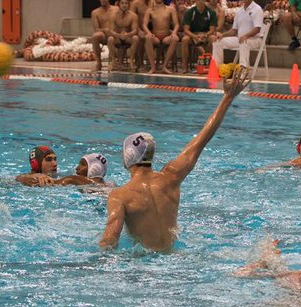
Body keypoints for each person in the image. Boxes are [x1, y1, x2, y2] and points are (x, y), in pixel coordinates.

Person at [99, 66, 253, 252]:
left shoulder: (120, 195)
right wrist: (228, 98)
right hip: (174, 255)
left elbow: (110, 238)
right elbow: (202, 138)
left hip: (143, 262)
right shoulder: (171, 177)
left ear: (127, 158)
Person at [211, 0, 265, 68]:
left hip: (255, 40)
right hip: (239, 38)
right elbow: (233, 31)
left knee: (244, 41)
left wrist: (246, 36)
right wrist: (222, 35)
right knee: (217, 41)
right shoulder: (239, 11)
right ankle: (216, 68)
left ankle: (243, 70)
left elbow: (257, 29)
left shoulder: (257, 9)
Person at [180, 0, 220, 73]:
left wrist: (205, 35)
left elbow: (212, 29)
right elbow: (186, 30)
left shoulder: (211, 12)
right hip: (193, 34)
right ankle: (184, 66)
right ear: (195, 0)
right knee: (184, 39)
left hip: (206, 34)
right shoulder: (190, 12)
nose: (200, 1)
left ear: (205, 0)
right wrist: (195, 36)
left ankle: (207, 63)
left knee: (212, 38)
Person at [144, 0, 181, 74]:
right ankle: (153, 67)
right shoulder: (149, 10)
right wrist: (149, 33)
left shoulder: (170, 9)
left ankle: (164, 66)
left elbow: (176, 24)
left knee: (175, 38)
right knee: (147, 38)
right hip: (155, 36)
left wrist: (174, 33)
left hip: (166, 36)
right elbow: (144, 25)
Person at [108, 0, 141, 71]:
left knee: (135, 38)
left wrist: (127, 35)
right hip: (118, 37)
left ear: (129, 5)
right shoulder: (113, 15)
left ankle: (131, 60)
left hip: (128, 37)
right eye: (122, 3)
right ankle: (113, 61)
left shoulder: (133, 16)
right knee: (110, 39)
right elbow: (111, 30)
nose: (124, 5)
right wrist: (118, 35)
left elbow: (135, 30)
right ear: (118, 4)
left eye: (126, 3)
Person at [89, 0, 116, 73]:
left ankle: (115, 62)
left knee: (112, 37)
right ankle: (98, 62)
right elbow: (96, 29)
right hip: (104, 35)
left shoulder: (116, 9)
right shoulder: (95, 12)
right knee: (95, 36)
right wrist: (105, 30)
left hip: (116, 35)